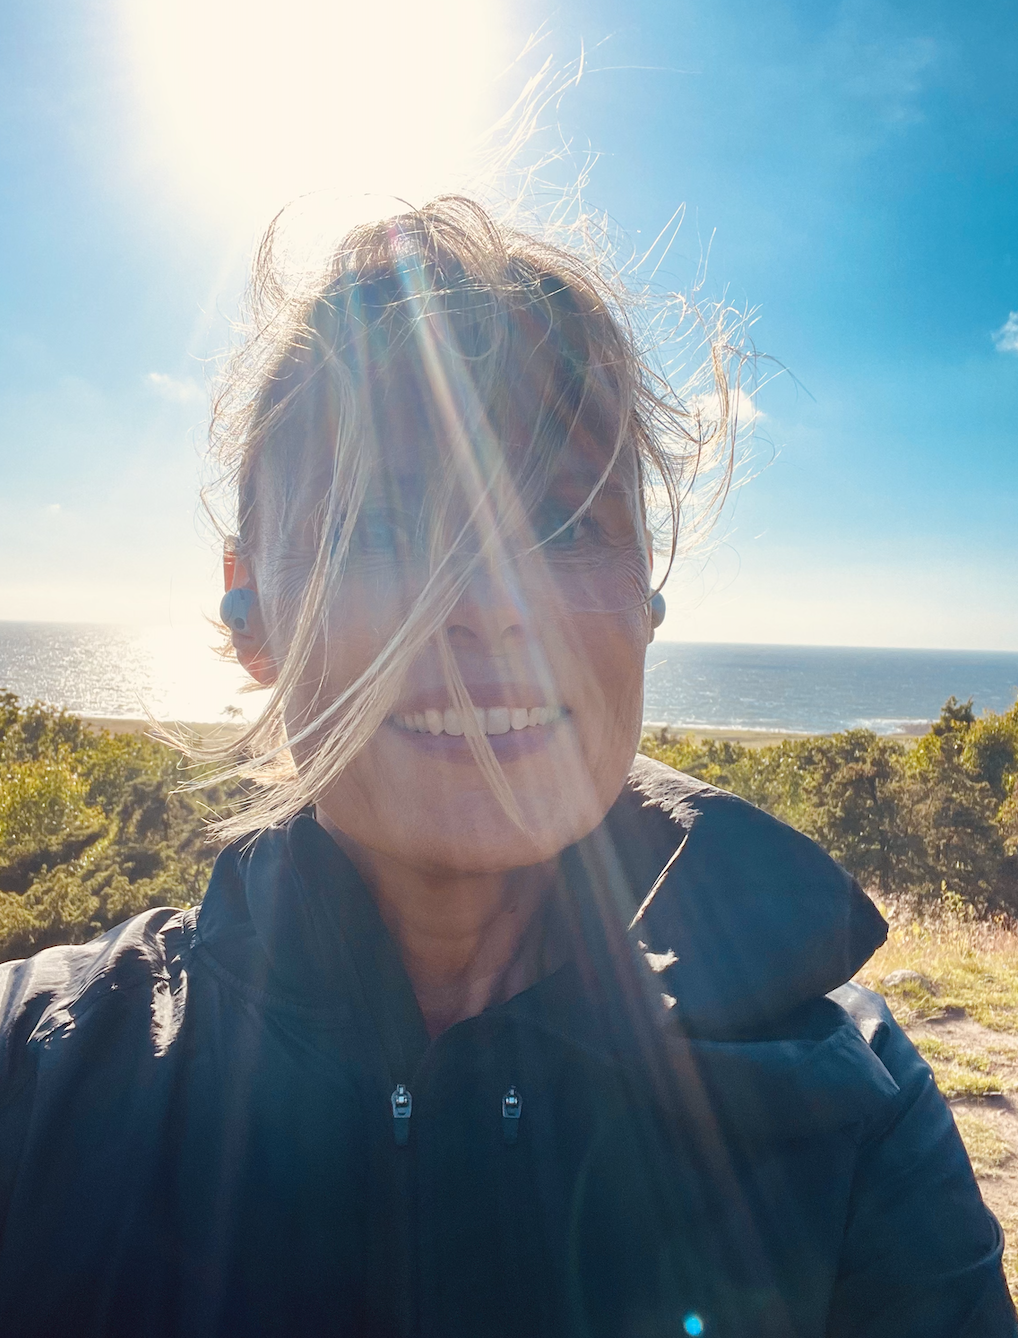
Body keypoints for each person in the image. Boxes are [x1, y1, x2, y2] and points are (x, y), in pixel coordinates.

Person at [0, 196, 1013, 1338]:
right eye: (379, 527)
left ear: (645, 593)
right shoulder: (38, 1065)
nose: (488, 605)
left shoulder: (853, 1104)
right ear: (252, 607)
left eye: (564, 523)